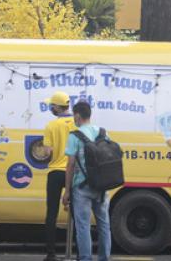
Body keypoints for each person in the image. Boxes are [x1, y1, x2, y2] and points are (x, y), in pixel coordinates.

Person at [62, 101, 111, 261]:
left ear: (77, 116)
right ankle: (104, 258)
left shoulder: (74, 136)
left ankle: (85, 258)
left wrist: (67, 191)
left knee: (83, 225)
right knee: (104, 224)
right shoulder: (103, 132)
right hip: (103, 186)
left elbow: (70, 165)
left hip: (82, 187)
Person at [41, 91, 76, 261]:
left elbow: (48, 152)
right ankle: (77, 252)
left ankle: (51, 254)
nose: (50, 108)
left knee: (52, 214)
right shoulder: (77, 124)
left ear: (56, 107)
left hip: (55, 172)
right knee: (77, 214)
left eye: (51, 105)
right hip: (74, 172)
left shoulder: (50, 126)